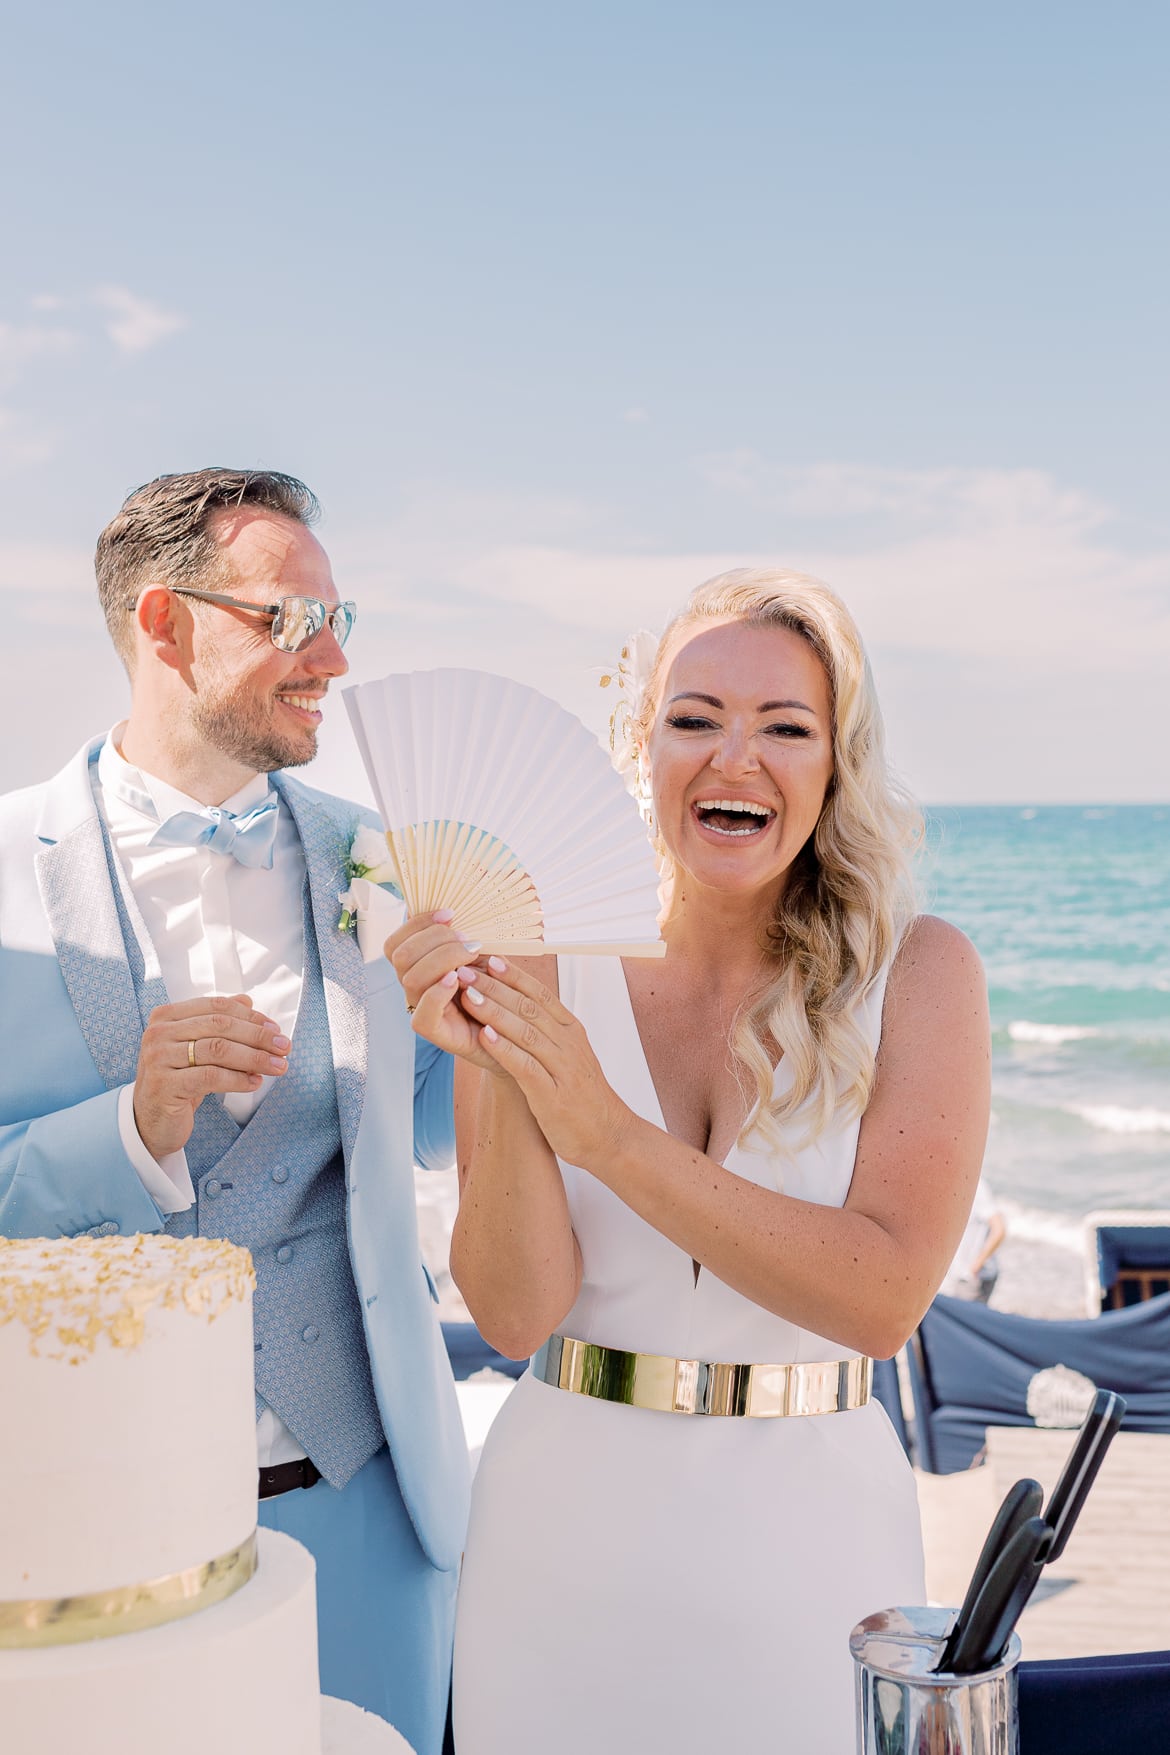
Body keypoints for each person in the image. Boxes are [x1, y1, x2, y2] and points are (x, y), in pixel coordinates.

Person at [389, 568, 991, 1755]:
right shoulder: (538, 954)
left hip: (814, 1552)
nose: (736, 759)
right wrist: (502, 1060)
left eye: (785, 727)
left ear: (836, 763)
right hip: (557, 1543)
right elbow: (513, 1314)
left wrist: (608, 1135)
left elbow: (879, 1300)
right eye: (695, 719)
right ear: (642, 744)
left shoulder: (920, 975)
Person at [0, 468, 468, 1755]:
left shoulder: (379, 855)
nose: (333, 661)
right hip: (90, 1534)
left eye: (342, 620)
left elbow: (428, 1137)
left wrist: (475, 1037)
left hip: (371, 1505)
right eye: (289, 621)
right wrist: (132, 1128)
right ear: (162, 624)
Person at [940, 1176, 1006, 1301]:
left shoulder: (978, 1187)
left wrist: (976, 1265)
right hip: (961, 1275)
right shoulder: (958, 1183)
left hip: (975, 1277)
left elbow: (999, 1230)